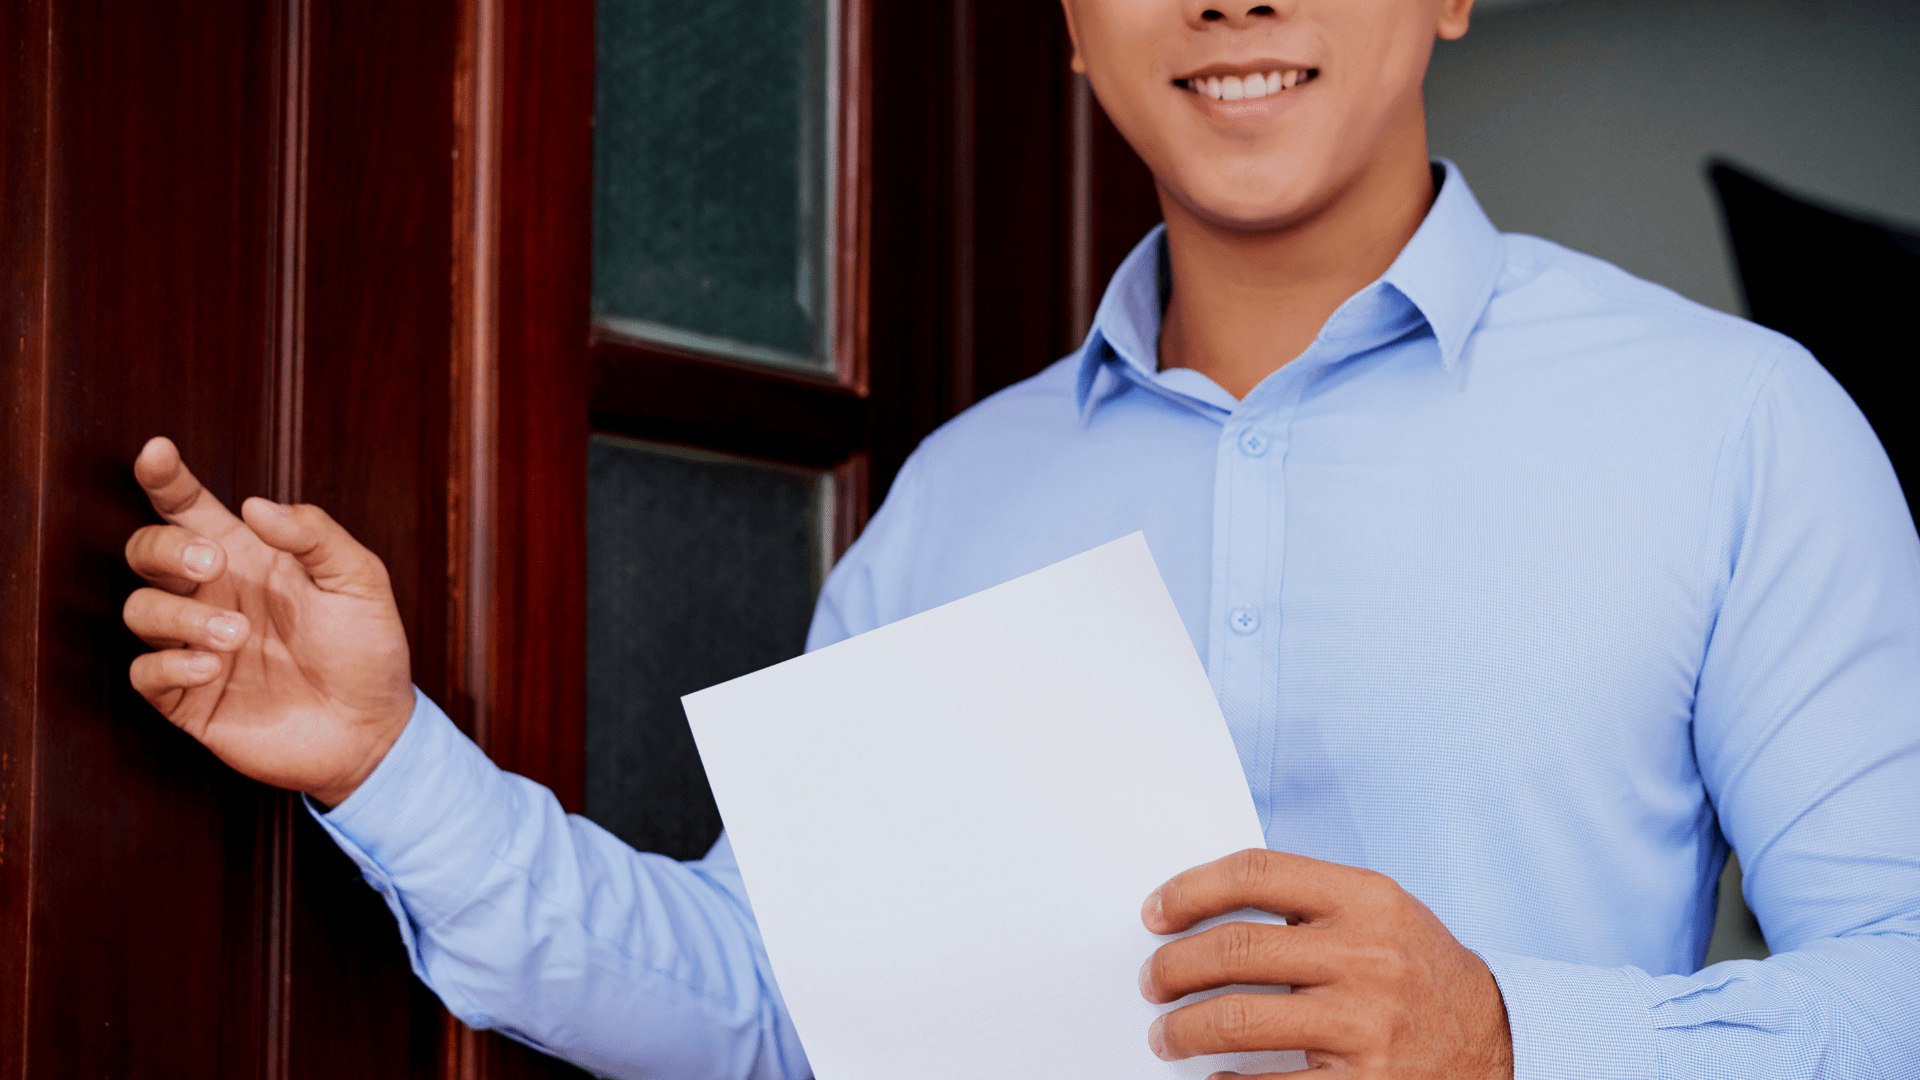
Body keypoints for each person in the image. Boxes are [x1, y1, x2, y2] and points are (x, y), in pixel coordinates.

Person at [119, 0, 1920, 1076]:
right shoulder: (958, 499)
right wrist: (385, 765)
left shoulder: (1740, 429)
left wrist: (1517, 1038)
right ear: (1070, 24)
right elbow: (775, 1013)